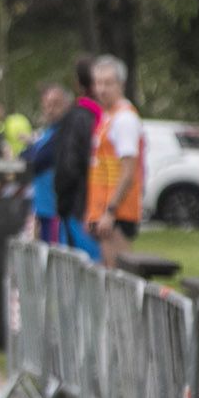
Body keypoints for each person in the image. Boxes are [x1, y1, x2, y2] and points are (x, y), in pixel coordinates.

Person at [86, 54, 145, 269]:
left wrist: (110, 211)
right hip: (105, 212)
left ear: (121, 84)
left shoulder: (124, 119)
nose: (101, 89)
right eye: (98, 83)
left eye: (108, 83)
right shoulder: (107, 116)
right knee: (107, 275)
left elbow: (128, 170)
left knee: (117, 278)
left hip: (118, 213)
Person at [53, 54, 103, 260]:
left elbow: (68, 166)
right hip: (101, 206)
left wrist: (63, 204)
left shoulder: (77, 118)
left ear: (78, 84)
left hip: (79, 207)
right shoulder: (106, 117)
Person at [23, 84, 71, 246]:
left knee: (54, 254)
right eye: (47, 105)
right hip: (41, 206)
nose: (51, 109)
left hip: (54, 209)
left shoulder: (65, 132)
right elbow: (28, 155)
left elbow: (38, 160)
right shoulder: (47, 133)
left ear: (66, 105)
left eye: (56, 104)